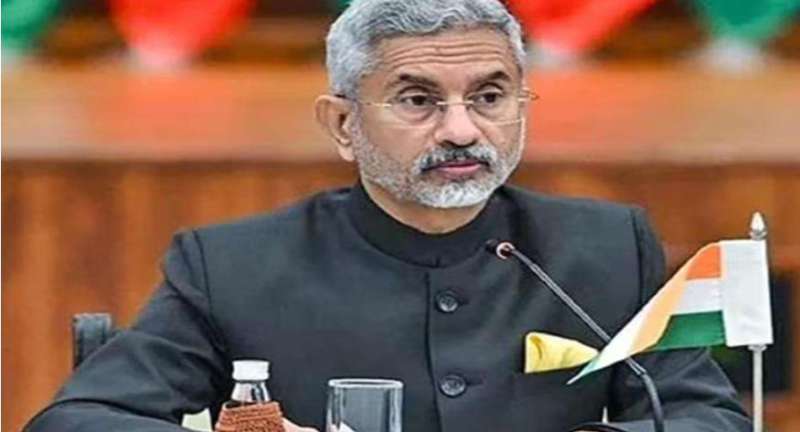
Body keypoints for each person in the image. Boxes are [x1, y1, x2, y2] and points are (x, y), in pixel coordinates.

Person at [25, 1, 752, 431]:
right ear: (343, 124)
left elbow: (711, 418)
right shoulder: (233, 269)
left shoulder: (606, 248)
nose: (462, 130)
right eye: (417, 100)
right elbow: (80, 421)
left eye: (490, 97)